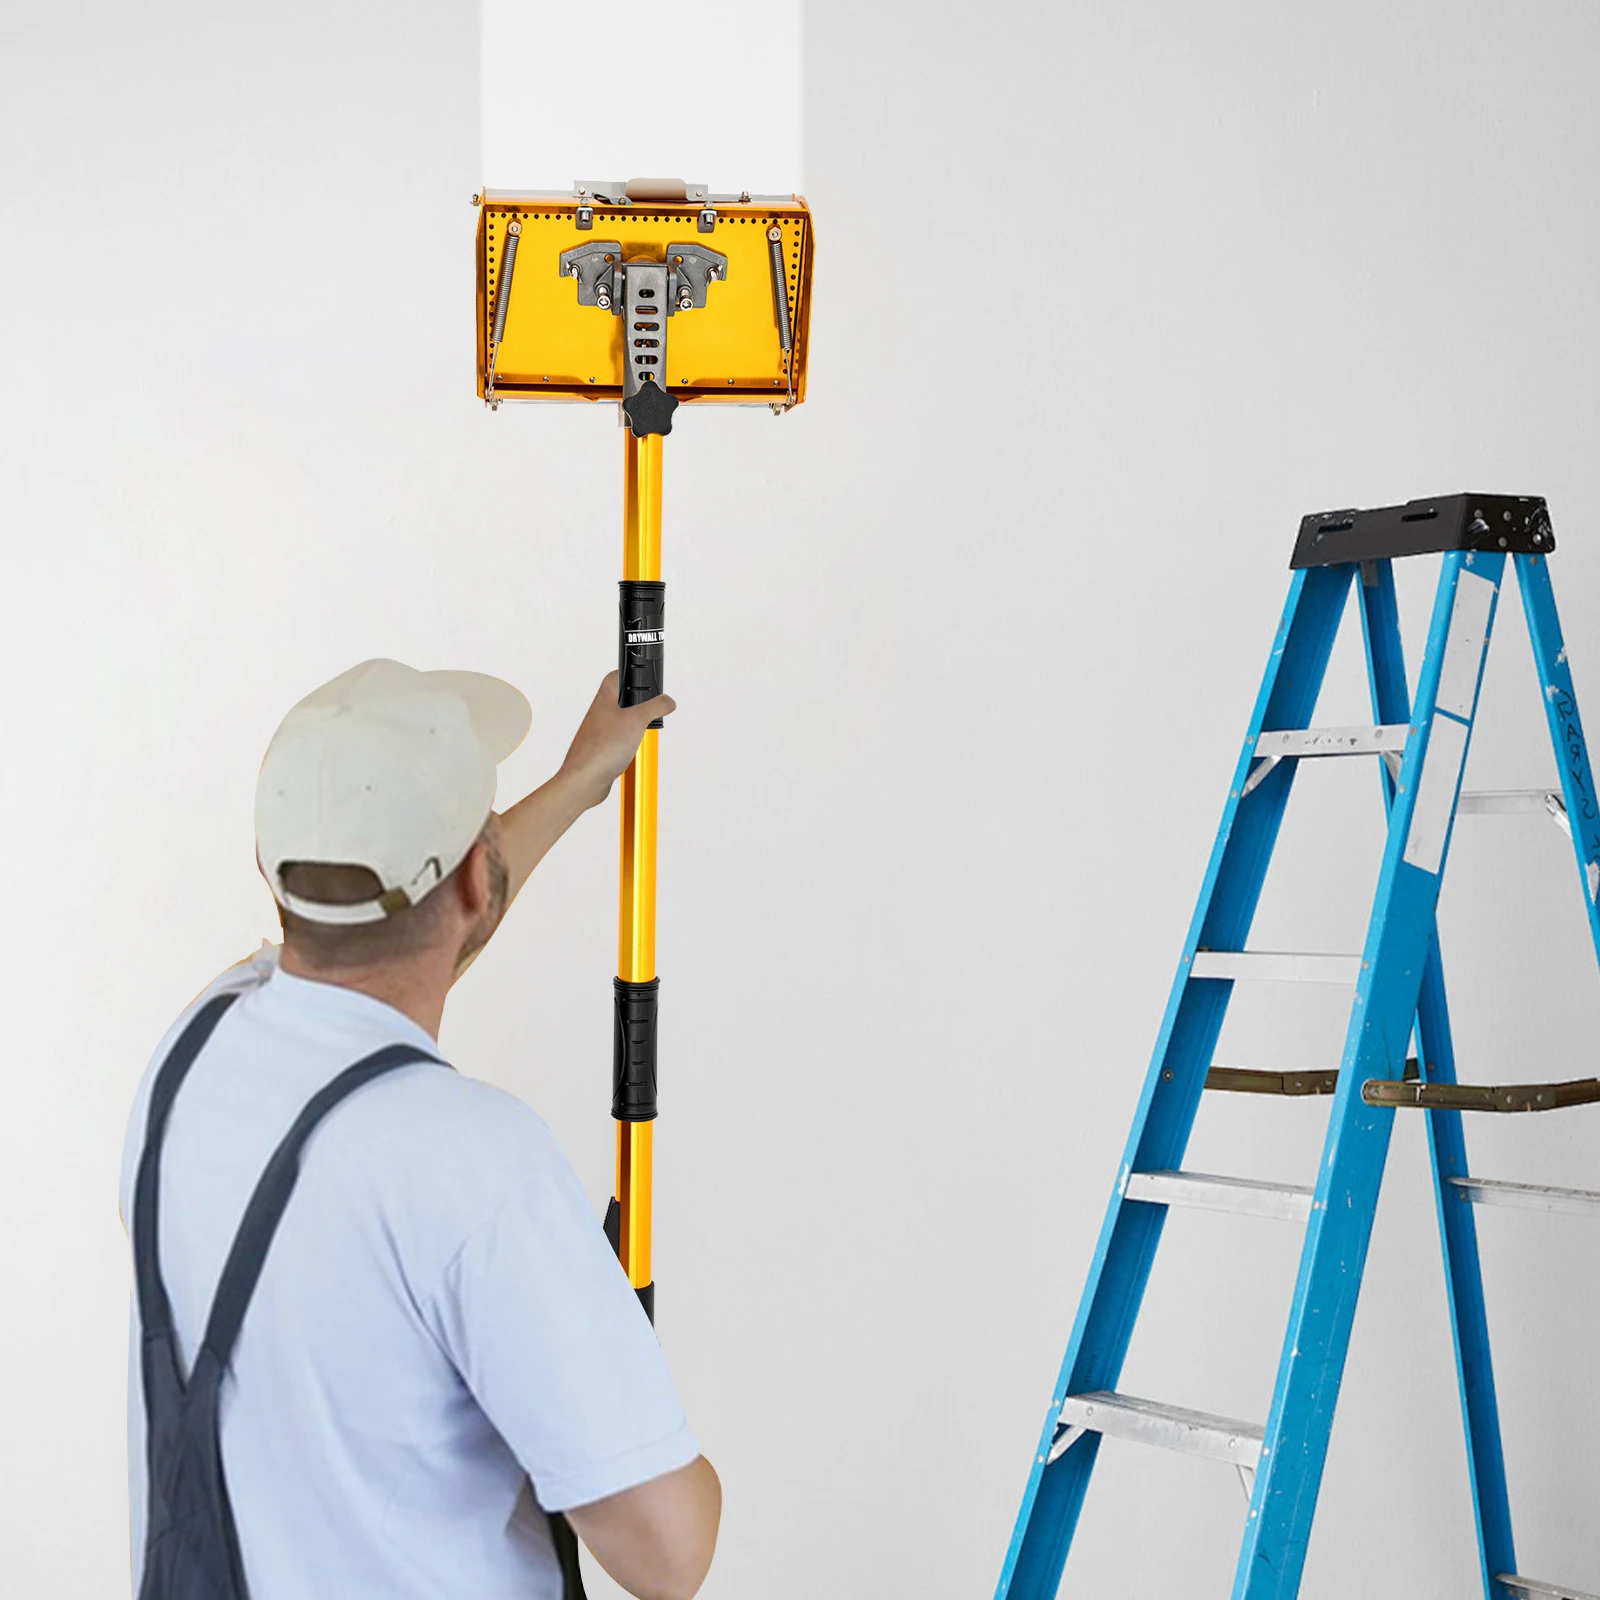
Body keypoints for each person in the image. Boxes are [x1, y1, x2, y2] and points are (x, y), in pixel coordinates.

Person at [117, 658, 720, 1600]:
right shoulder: (475, 1169)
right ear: (478, 876)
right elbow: (669, 1555)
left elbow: (368, 972)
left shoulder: (194, 1051)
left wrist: (576, 784)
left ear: (278, 881)